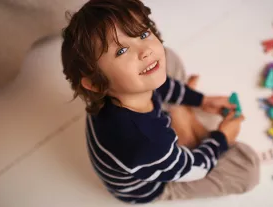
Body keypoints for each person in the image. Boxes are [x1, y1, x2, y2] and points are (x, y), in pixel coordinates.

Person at [61, 0, 260, 204]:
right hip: (154, 183)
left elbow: (159, 85)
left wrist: (201, 100)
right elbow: (195, 169)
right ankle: (188, 130)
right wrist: (222, 138)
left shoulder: (119, 89)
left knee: (167, 58)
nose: (144, 50)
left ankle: (182, 120)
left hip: (153, 144)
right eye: (121, 51)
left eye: (143, 34)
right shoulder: (147, 142)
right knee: (247, 169)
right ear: (95, 82)